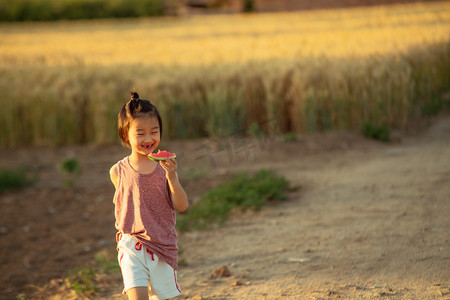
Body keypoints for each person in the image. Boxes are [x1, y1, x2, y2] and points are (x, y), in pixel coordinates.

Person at [109, 91, 188, 300]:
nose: (149, 138)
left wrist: (172, 176)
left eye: (154, 131)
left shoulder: (165, 168)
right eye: (140, 133)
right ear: (125, 136)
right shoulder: (117, 171)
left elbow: (182, 205)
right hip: (131, 245)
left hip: (162, 246)